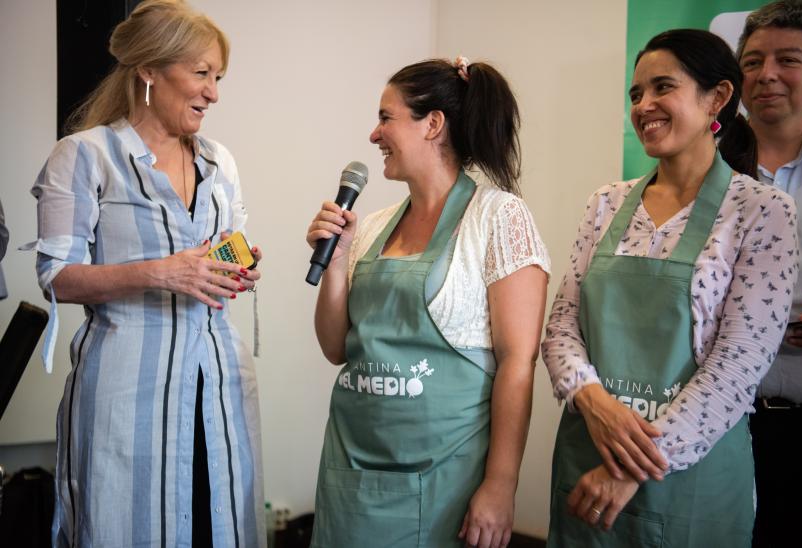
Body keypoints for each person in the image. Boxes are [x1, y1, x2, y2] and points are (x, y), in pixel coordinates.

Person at [542, 29, 798, 546]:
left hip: (688, 475)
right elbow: (561, 325)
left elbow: (738, 366)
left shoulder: (762, 211)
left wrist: (632, 466)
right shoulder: (605, 204)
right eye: (636, 94)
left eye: (663, 88)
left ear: (718, 98)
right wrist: (594, 403)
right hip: (588, 453)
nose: (644, 106)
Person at [28, 1, 264, 546]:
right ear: (150, 71)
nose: (213, 92)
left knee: (215, 524)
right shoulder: (83, 157)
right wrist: (163, 272)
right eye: (201, 73)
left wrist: (237, 267)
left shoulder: (218, 161)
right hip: (126, 392)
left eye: (218, 77)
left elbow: (223, 249)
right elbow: (57, 276)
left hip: (218, 386)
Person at [305, 57, 550, 548]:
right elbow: (336, 347)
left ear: (433, 124)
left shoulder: (498, 218)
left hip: (444, 484)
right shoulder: (372, 226)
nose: (374, 135)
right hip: (350, 475)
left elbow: (517, 363)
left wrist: (501, 485)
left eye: (386, 117)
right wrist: (337, 261)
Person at [736, 2, 802, 546]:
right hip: (717, 428)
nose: (766, 74)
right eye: (752, 61)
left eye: (787, 59)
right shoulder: (698, 174)